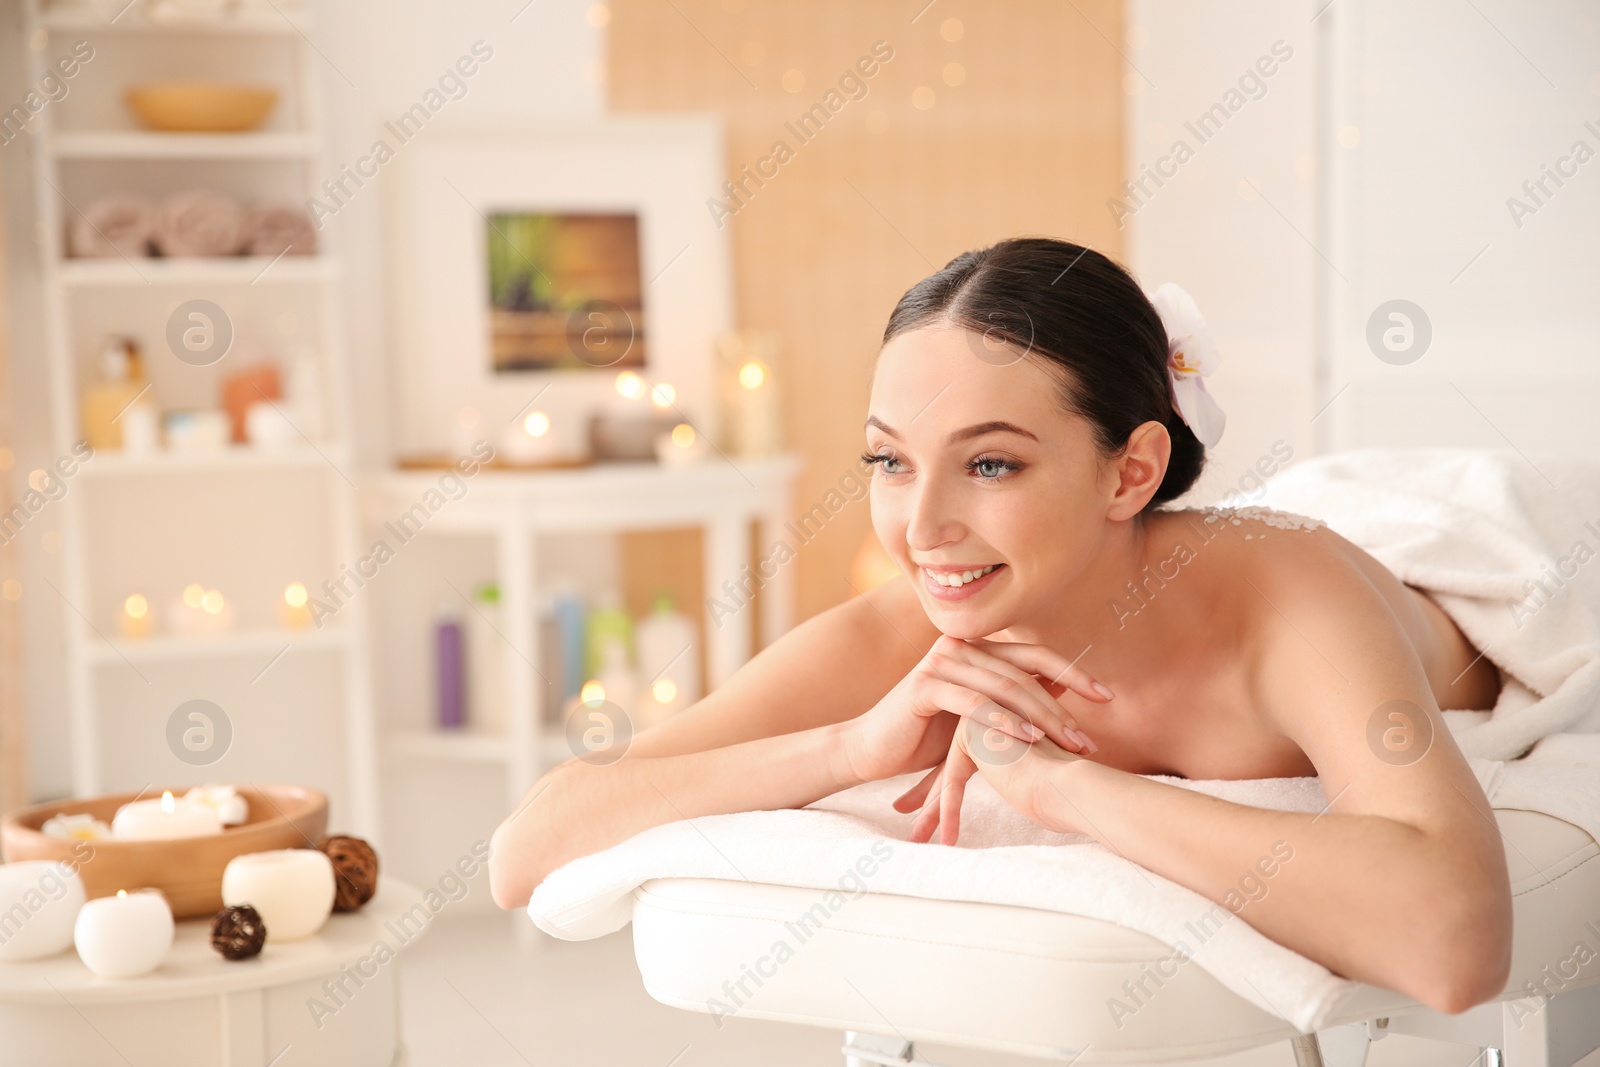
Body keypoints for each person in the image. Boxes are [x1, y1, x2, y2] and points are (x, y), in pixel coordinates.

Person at [489, 237, 1511, 1015]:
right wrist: (847, 743)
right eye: (889, 460)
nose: (921, 527)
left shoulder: (1287, 596)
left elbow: (1454, 941)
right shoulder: (906, 633)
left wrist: (1065, 786)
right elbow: (528, 846)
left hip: (1447, 554)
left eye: (988, 463)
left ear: (1132, 470)